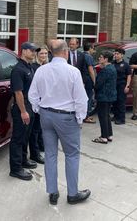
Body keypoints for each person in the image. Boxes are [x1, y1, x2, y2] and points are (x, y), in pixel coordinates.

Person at [29, 39, 90, 205]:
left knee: (50, 154)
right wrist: (80, 118)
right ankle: (72, 194)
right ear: (65, 52)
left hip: (46, 115)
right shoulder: (73, 72)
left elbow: (32, 94)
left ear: (50, 52)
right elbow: (81, 99)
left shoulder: (41, 70)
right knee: (71, 154)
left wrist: (38, 109)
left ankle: (53, 192)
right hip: (66, 117)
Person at [9, 41, 38, 181]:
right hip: (23, 107)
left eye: (34, 51)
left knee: (26, 136)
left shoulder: (29, 67)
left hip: (30, 105)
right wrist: (23, 111)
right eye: (31, 50)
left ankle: (23, 160)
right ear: (24, 51)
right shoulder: (18, 70)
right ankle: (15, 168)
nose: (34, 53)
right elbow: (18, 93)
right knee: (18, 138)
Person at [29, 45, 49, 163]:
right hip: (36, 102)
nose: (44, 56)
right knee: (35, 129)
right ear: (37, 55)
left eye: (46, 54)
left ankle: (41, 146)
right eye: (41, 53)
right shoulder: (34, 67)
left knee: (41, 128)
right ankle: (35, 154)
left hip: (45, 101)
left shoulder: (46, 66)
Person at [92, 51, 117, 144]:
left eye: (101, 57)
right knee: (106, 116)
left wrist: (94, 87)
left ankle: (103, 137)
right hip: (110, 96)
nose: (99, 58)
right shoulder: (112, 67)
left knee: (103, 116)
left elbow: (98, 83)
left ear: (106, 59)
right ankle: (109, 135)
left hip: (104, 96)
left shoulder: (106, 70)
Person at [112, 48, 132, 125]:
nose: (115, 55)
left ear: (122, 55)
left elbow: (129, 76)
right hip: (114, 85)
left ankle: (121, 119)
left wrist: (127, 86)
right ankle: (116, 116)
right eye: (115, 54)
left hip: (122, 85)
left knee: (121, 102)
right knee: (114, 101)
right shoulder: (113, 63)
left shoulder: (126, 65)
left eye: (117, 54)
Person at [83, 42, 96, 123]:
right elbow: (91, 70)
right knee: (88, 98)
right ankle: (86, 116)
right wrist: (94, 82)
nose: (94, 51)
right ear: (90, 48)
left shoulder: (81, 55)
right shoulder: (89, 57)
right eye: (93, 48)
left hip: (83, 79)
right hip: (88, 80)